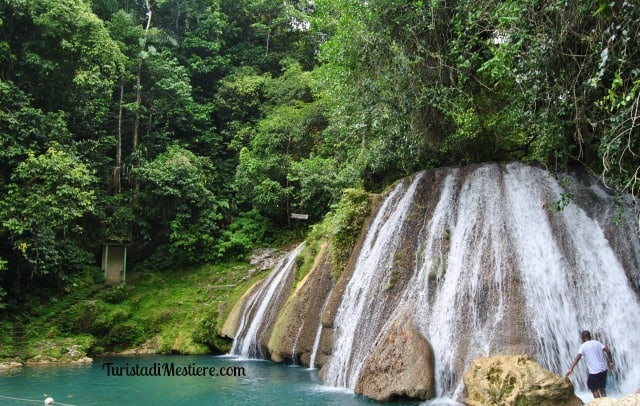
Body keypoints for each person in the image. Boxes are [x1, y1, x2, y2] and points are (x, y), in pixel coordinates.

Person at [565, 330, 615, 398]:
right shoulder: (597, 343)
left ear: (583, 338)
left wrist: (571, 369)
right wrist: (611, 362)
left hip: (594, 372)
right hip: (604, 370)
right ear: (590, 336)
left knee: (593, 388)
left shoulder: (583, 346)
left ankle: (598, 403)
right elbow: (608, 351)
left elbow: (578, 357)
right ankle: (605, 401)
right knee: (601, 388)